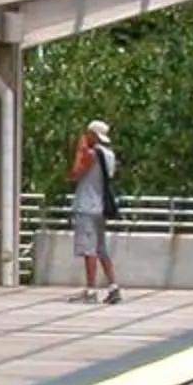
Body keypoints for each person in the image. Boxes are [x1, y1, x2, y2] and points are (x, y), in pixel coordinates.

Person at [67, 120, 125, 304]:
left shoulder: (91, 154)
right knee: (101, 249)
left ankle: (91, 290)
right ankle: (113, 286)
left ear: (92, 135)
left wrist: (79, 150)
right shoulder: (109, 155)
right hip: (100, 207)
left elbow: (75, 173)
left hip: (87, 206)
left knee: (89, 250)